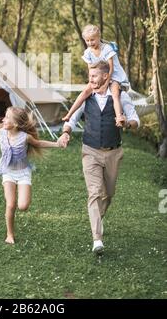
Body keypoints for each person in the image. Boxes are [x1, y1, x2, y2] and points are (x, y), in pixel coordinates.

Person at [58, 60, 139, 254]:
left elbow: (136, 120)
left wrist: (126, 123)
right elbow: (73, 118)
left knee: (108, 194)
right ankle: (97, 239)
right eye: (89, 76)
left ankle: (97, 219)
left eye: (94, 76)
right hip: (90, 151)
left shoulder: (121, 96)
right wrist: (66, 132)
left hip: (113, 152)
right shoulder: (86, 96)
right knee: (94, 192)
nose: (90, 79)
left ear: (105, 76)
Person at [0, 106, 67, 244]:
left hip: (23, 173)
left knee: (23, 206)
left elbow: (39, 143)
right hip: (8, 172)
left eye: (7, 118)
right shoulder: (0, 133)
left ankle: (19, 208)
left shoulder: (25, 137)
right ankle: (9, 234)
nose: (3, 119)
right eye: (4, 116)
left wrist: (57, 144)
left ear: (16, 124)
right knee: (10, 205)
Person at [62, 24, 130, 127]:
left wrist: (106, 84)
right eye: (87, 41)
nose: (90, 43)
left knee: (115, 93)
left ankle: (119, 117)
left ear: (99, 37)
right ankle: (69, 115)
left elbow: (111, 68)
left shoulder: (106, 48)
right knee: (85, 92)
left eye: (92, 40)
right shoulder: (88, 52)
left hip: (113, 75)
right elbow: (90, 69)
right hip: (99, 76)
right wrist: (92, 81)